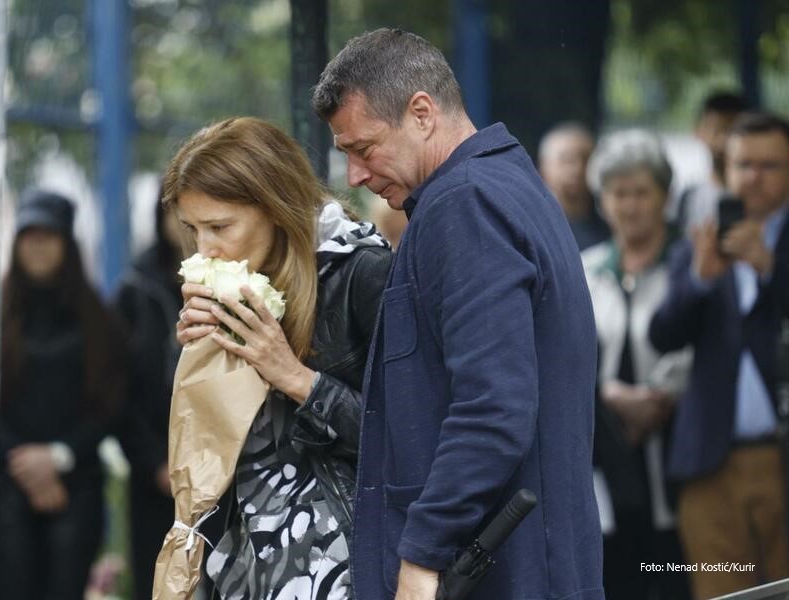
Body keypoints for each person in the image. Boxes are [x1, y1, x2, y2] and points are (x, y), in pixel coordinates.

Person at [312, 28, 603, 600]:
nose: (355, 176)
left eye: (363, 148)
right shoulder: (503, 185)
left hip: (498, 577)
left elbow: (493, 406)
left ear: (422, 113)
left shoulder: (464, 204)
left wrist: (423, 551)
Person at [165, 116, 392, 599]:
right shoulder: (236, 287)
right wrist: (198, 364)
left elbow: (409, 441)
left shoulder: (362, 275)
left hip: (343, 571)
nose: (206, 248)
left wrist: (296, 378)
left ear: (275, 208)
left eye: (220, 227)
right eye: (192, 229)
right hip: (247, 567)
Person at [649, 112, 789, 599]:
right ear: (725, 169)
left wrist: (769, 268)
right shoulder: (699, 242)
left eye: (770, 165)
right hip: (711, 461)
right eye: (743, 164)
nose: (753, 177)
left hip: (780, 458)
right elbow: (662, 335)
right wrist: (701, 280)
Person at [0, 189, 126, 600]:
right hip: (7, 485)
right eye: (28, 235)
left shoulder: (98, 320)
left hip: (77, 485)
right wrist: (27, 467)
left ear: (67, 244)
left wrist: (58, 456)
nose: (37, 246)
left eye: (47, 236)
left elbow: (112, 402)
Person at [582, 130, 692, 600]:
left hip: (681, 458)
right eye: (618, 193)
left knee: (680, 577)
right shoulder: (586, 269)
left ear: (664, 196)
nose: (629, 206)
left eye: (641, 192)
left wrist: (659, 396)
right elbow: (575, 354)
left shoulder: (688, 263)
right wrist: (609, 393)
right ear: (602, 200)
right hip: (608, 466)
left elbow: (697, 342)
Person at [114, 200, 222, 600]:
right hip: (155, 471)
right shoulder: (136, 289)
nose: (186, 228)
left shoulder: (234, 281)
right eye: (177, 217)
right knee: (157, 578)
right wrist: (155, 463)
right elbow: (119, 391)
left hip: (221, 467)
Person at [672, 91, 748, 234]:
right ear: (698, 132)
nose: (724, 140)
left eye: (733, 130)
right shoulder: (688, 199)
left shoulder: (759, 195)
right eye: (716, 130)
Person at [539, 121, 611, 251]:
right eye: (567, 160)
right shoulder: (532, 229)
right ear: (544, 167)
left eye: (586, 159)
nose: (577, 169)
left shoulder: (613, 227)